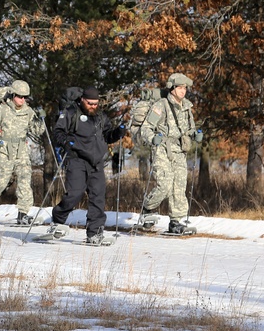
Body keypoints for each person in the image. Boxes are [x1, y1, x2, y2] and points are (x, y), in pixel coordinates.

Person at [47, 86, 125, 244]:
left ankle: (94, 232)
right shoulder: (71, 113)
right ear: (82, 100)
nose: (93, 106)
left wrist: (118, 133)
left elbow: (108, 136)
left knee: (98, 197)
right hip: (77, 159)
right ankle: (57, 220)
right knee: (75, 194)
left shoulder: (100, 117)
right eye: (90, 103)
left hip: (96, 163)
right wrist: (67, 142)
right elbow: (58, 132)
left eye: (96, 104)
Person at [140, 72, 201, 235]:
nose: (183, 91)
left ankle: (176, 221)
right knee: (165, 184)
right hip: (162, 149)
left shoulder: (187, 107)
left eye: (185, 88)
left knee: (179, 186)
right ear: (172, 88)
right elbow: (145, 128)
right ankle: (148, 208)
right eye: (180, 88)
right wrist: (153, 139)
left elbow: (190, 128)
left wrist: (195, 134)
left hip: (180, 150)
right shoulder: (161, 105)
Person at [0, 79, 45, 225]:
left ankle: (23, 214)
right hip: (4, 149)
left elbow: (37, 131)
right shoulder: (1, 109)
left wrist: (41, 119)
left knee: (25, 180)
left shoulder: (28, 111)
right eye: (19, 96)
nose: (22, 100)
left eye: (25, 97)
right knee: (0, 183)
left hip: (21, 150)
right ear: (13, 95)